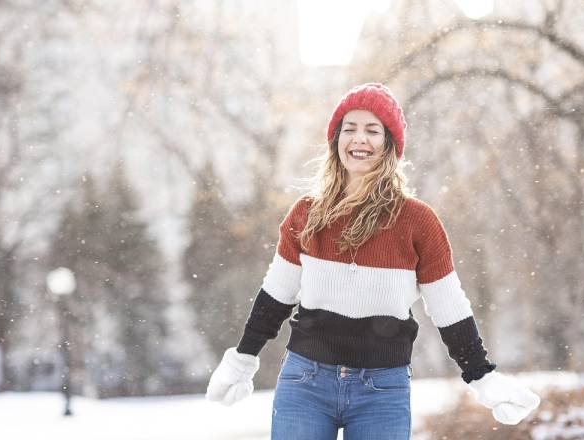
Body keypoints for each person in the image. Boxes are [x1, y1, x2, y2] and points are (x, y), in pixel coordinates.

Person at [205, 83, 540, 439]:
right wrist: (243, 358)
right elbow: (276, 294)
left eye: (372, 130)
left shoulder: (417, 222)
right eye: (349, 129)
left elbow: (449, 306)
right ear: (336, 141)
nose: (359, 139)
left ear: (389, 145)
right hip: (305, 382)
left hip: (383, 390)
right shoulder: (307, 215)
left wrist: (482, 375)